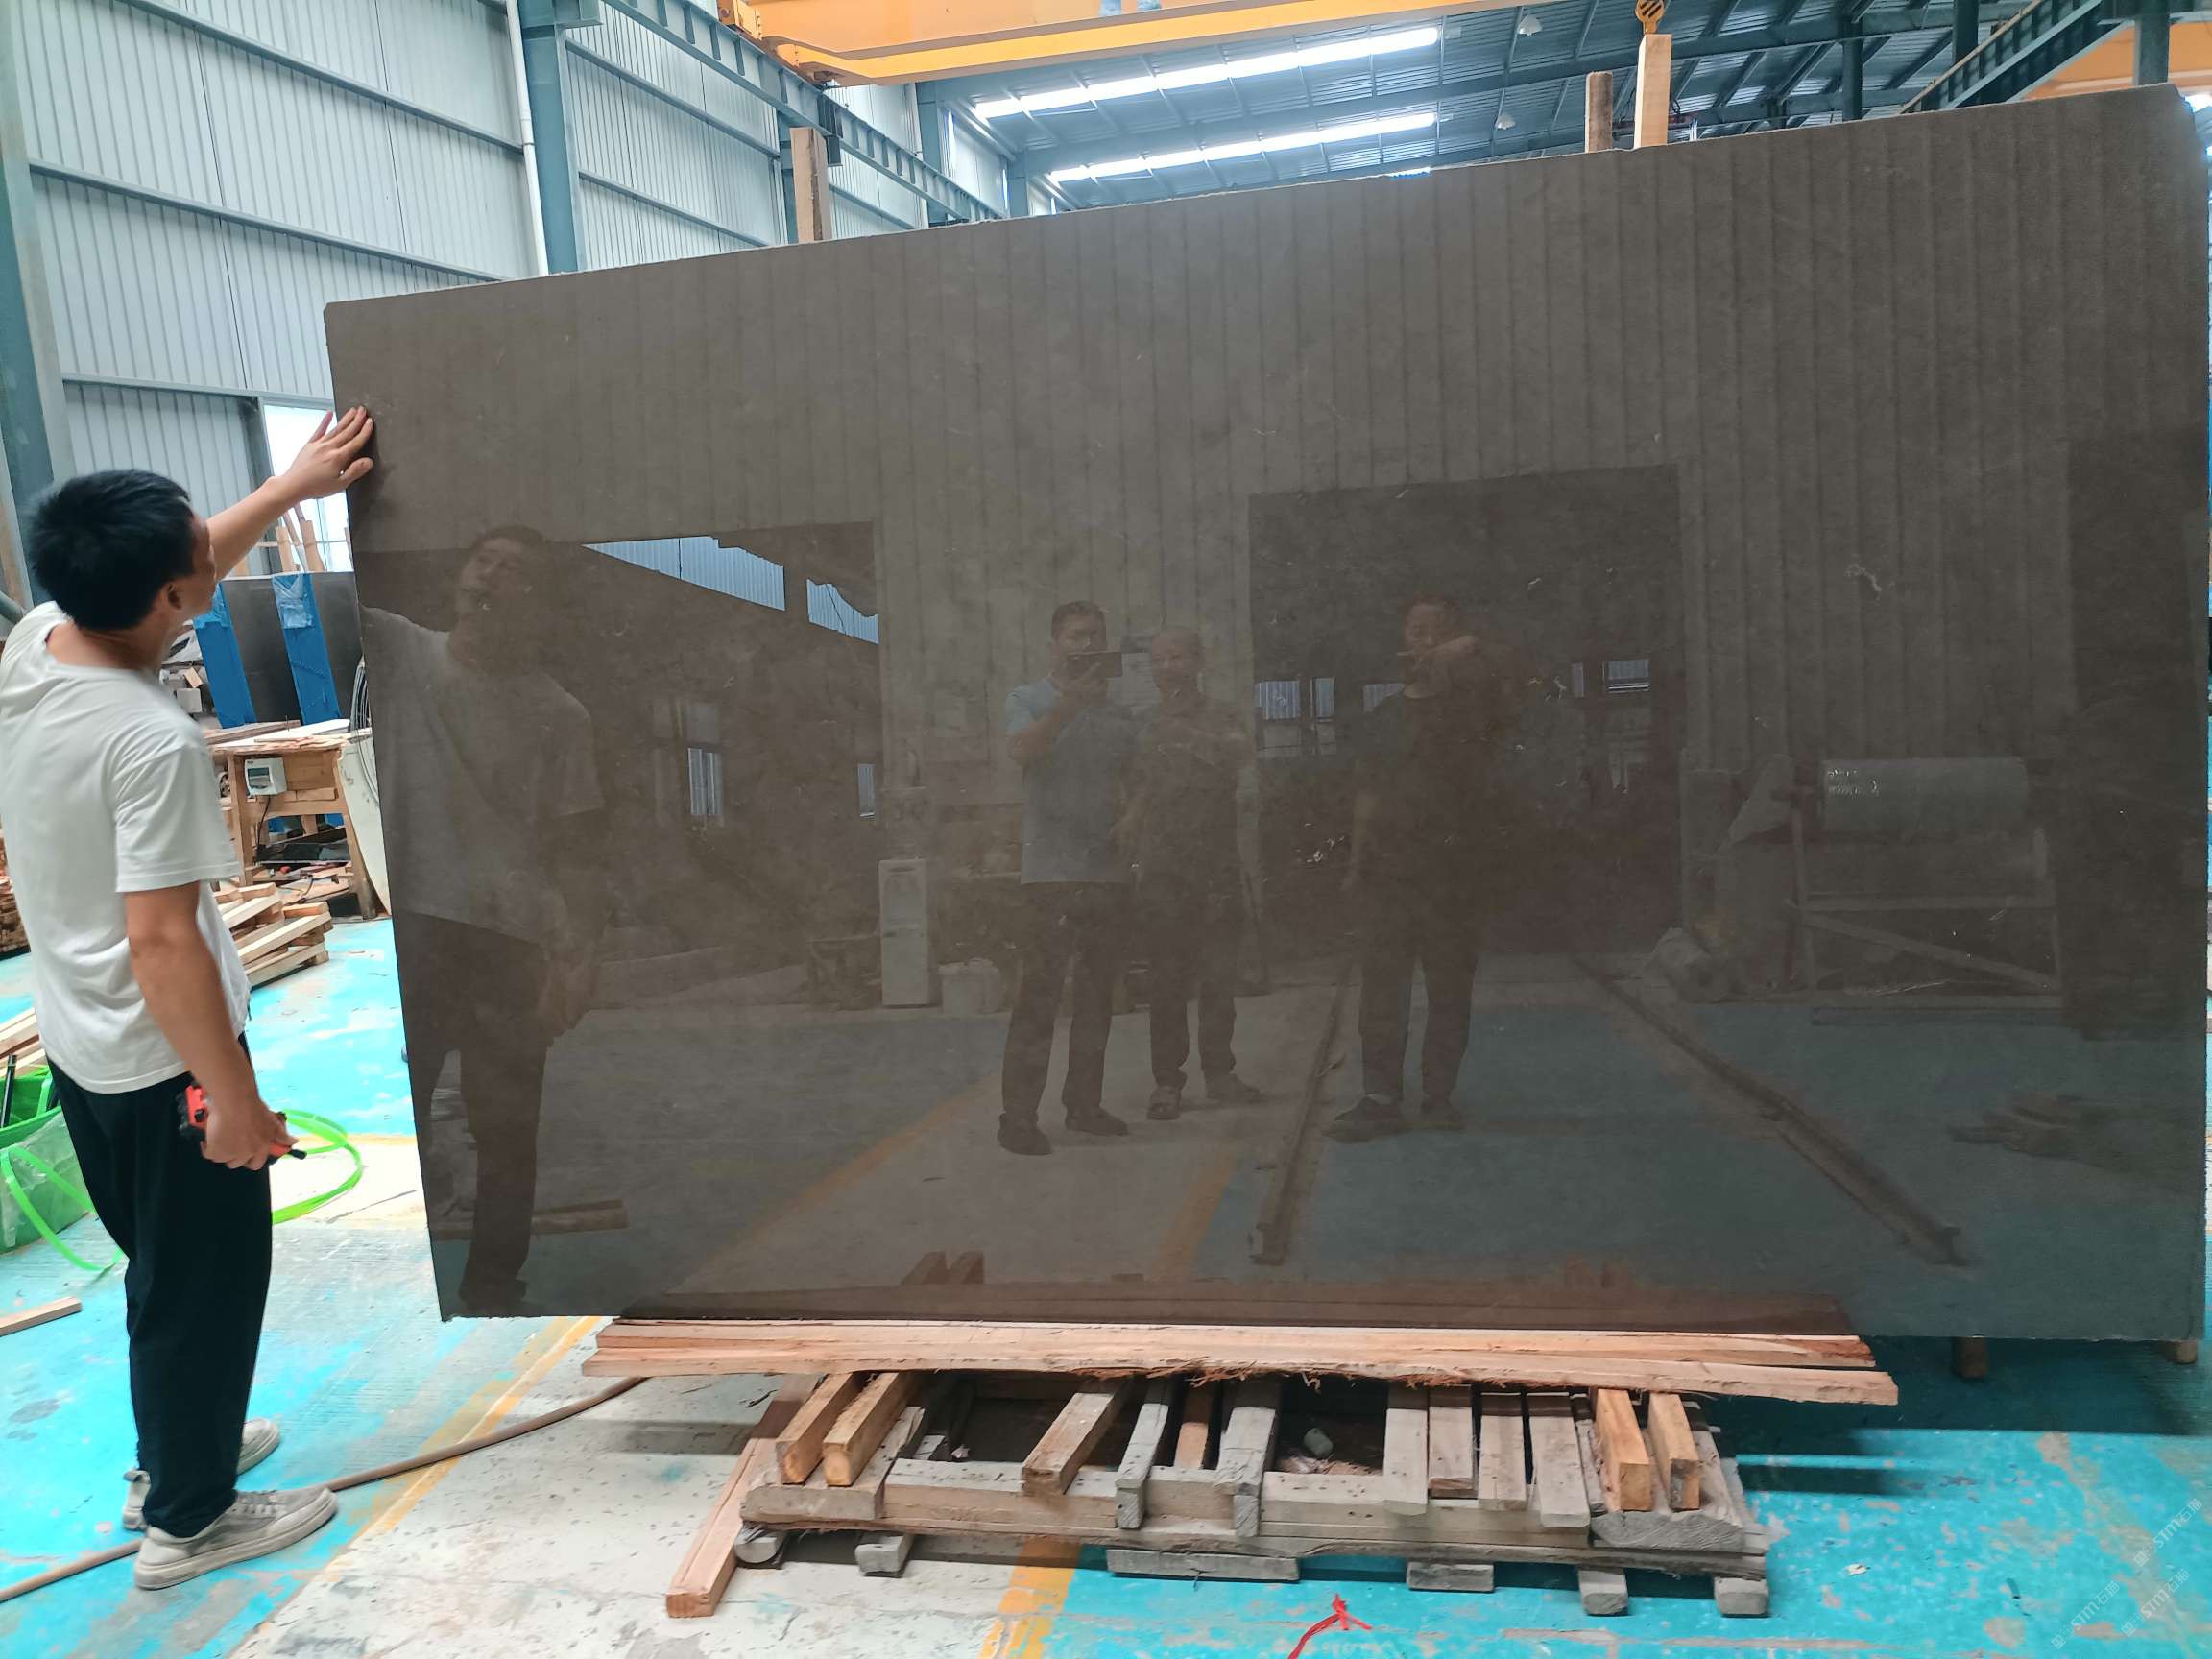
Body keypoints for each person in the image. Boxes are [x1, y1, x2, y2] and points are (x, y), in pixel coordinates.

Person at [0, 412, 373, 1590]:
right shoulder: (149, 738)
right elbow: (162, 941)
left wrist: (289, 486)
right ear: (175, 596)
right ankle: (192, 1521)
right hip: (163, 1058)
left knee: (162, 1274)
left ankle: (173, 1456)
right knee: (205, 1287)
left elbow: (184, 554)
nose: (215, 554)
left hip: (83, 1044)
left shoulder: (41, 640)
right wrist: (234, 1099)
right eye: (201, 560)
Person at [364, 528, 605, 1313]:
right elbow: (291, 597)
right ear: (461, 578)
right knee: (402, 1107)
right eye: (484, 561)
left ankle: (493, 1284)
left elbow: (576, 846)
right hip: (417, 928)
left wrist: (577, 956)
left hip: (510, 938)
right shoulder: (401, 651)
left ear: (540, 603)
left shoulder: (557, 713)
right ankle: (403, 1281)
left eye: (516, 572)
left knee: (505, 1125)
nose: (493, 577)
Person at [1327, 594, 1522, 1142]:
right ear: (1403, 639)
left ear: (1456, 641)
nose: (1426, 639)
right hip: (1389, 875)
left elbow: (1522, 672)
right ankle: (1380, 1099)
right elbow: (1366, 796)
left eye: (1439, 631)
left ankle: (1439, 1098)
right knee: (1382, 989)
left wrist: (1470, 649)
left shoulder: (1474, 711)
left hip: (1453, 877)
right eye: (1417, 629)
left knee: (1449, 989)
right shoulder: (1383, 717)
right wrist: (1356, 864)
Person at [998, 600, 1138, 1155]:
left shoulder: (1119, 714)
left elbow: (1138, 775)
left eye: (1096, 636)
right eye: (1077, 636)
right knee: (1039, 998)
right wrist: (1068, 706)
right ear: (1054, 644)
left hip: (1106, 872)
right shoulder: (1027, 699)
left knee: (1099, 997)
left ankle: (1084, 1104)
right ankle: (1017, 1119)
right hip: (1050, 875)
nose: (1087, 645)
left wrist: (1135, 814)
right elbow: (1022, 751)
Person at [1122, 627, 1263, 1119]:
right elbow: (1132, 792)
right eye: (1159, 660)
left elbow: (1242, 762)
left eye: (1177, 657)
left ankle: (1220, 1074)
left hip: (1216, 866)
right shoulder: (1142, 725)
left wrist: (1187, 737)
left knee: (1219, 977)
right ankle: (1167, 1082)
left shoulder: (1224, 716)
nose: (1168, 668)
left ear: (1199, 662)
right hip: (1164, 869)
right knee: (1167, 980)